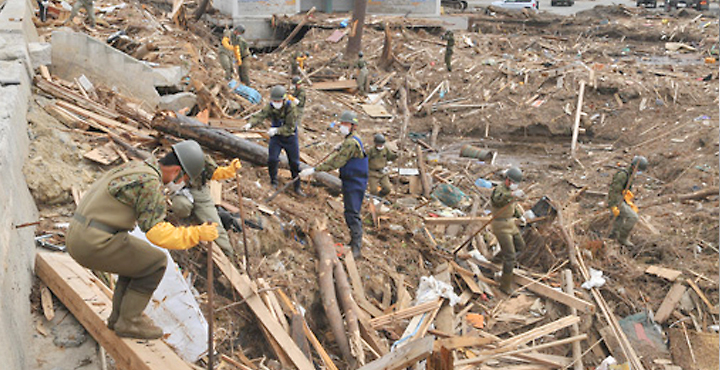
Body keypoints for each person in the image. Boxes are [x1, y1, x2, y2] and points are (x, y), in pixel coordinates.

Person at [66, 140, 219, 339]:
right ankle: (130, 321)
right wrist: (196, 234)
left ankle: (118, 319)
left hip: (79, 234)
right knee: (155, 263)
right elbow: (157, 233)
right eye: (185, 179)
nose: (182, 184)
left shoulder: (136, 167)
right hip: (93, 242)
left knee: (137, 261)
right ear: (176, 171)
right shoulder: (150, 182)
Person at [300, 111, 368, 258]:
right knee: (350, 211)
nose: (342, 126)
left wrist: (315, 170)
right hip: (352, 179)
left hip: (355, 182)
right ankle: (354, 242)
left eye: (345, 124)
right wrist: (341, 146)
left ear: (352, 126)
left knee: (352, 212)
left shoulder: (351, 143)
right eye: (342, 123)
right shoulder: (352, 139)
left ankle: (356, 247)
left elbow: (337, 161)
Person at [169, 155, 242, 258]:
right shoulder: (175, 157)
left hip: (200, 192)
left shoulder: (200, 156)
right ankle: (187, 219)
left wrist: (230, 170)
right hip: (180, 191)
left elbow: (214, 172)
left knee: (217, 229)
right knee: (182, 206)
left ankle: (229, 257)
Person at [244, 85, 304, 196]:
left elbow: (290, 127)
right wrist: (250, 123)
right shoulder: (271, 106)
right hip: (276, 138)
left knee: (294, 163)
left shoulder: (291, 108)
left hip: (290, 137)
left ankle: (297, 187)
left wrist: (276, 130)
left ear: (283, 99)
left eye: (278, 100)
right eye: (274, 100)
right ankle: (274, 182)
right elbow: (261, 115)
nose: (276, 102)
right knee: (272, 159)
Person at [490, 166, 527, 294]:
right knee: (510, 256)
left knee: (521, 246)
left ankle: (497, 259)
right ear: (508, 180)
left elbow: (512, 205)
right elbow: (498, 199)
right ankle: (505, 286)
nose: (515, 186)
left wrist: (519, 215)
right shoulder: (499, 189)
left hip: (510, 223)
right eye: (514, 183)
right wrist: (512, 194)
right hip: (500, 225)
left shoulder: (510, 192)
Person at [608, 156, 647, 248]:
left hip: (622, 198)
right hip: (616, 199)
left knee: (619, 219)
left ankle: (613, 236)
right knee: (633, 217)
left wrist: (629, 202)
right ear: (634, 167)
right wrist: (613, 205)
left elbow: (625, 191)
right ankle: (622, 238)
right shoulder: (622, 175)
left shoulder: (630, 175)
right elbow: (613, 191)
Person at [366, 133, 397, 197]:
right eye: (379, 144)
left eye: (381, 144)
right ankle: (373, 201)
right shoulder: (371, 150)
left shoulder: (385, 149)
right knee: (373, 191)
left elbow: (390, 157)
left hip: (382, 172)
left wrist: (396, 155)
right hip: (372, 173)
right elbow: (365, 160)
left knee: (387, 188)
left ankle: (379, 197)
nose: (380, 146)